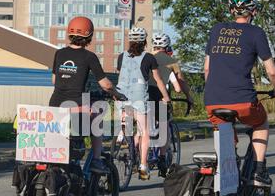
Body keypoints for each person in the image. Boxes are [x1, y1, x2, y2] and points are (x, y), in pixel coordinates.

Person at [204, 0, 275, 187]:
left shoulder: (216, 30)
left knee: (224, 131)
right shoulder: (256, 33)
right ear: (254, 11)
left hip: (212, 100)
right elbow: (273, 72)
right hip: (243, 100)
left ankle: (227, 169)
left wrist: (216, 90)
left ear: (231, 10)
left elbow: (207, 69)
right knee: (261, 123)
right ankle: (259, 171)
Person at [49, 16, 122, 174]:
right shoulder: (89, 57)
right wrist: (116, 94)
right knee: (97, 119)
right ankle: (96, 160)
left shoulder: (59, 53)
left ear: (69, 33)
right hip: (75, 107)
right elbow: (105, 84)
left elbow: (54, 80)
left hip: (55, 106)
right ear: (89, 36)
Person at [116, 27, 171, 180]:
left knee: (126, 119)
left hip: (122, 95)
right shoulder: (149, 58)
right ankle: (143, 165)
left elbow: (121, 74)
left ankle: (122, 136)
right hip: (140, 97)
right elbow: (159, 80)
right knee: (144, 131)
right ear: (145, 41)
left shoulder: (121, 56)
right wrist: (166, 97)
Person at [149, 33, 193, 177]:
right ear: (166, 46)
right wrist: (189, 97)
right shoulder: (171, 61)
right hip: (160, 96)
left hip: (142, 96)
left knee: (143, 126)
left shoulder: (145, 58)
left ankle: (138, 157)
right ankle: (162, 157)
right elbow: (181, 83)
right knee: (164, 124)